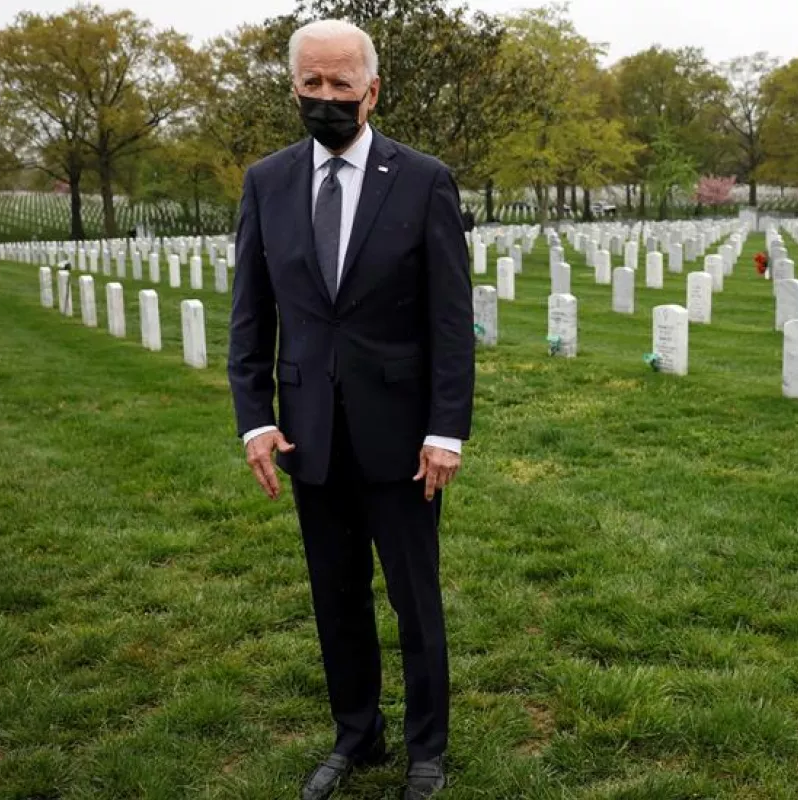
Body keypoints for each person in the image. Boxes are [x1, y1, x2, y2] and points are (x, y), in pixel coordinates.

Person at [227, 19, 474, 800]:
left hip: (402, 437)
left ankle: (425, 749)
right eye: (312, 84)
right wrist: (255, 417)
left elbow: (448, 318)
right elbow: (250, 313)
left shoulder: (423, 178)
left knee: (413, 597)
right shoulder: (266, 182)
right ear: (293, 87)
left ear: (372, 90)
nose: (325, 97)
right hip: (309, 434)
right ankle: (355, 733)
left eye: (341, 84)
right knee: (335, 596)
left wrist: (445, 429)